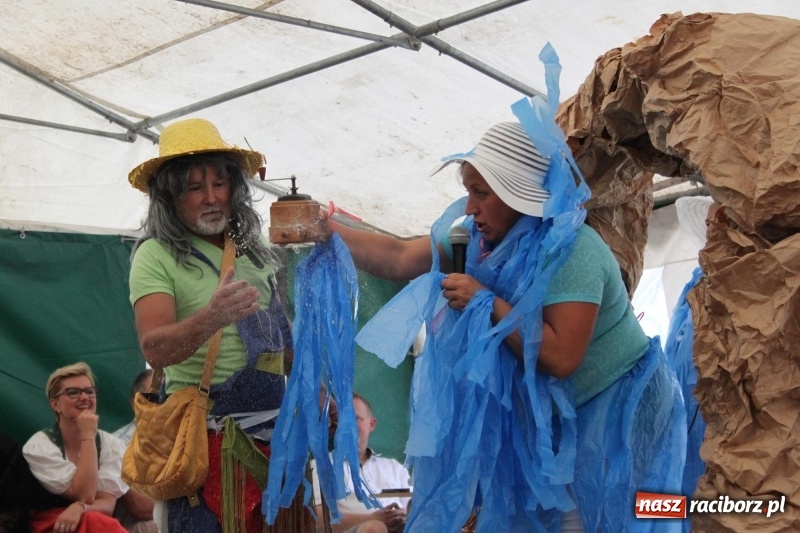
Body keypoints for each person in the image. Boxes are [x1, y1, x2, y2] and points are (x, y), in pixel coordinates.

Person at [322, 47, 686, 532]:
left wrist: (485, 301)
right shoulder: (468, 237)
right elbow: (398, 257)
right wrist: (324, 229)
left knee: (620, 520)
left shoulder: (573, 251)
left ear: (520, 196)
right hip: (554, 420)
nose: (469, 206)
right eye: (468, 189)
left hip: (618, 410)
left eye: (482, 193)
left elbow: (559, 357)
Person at [127, 117, 315, 532]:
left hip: (278, 444)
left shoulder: (258, 252)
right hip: (205, 447)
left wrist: (313, 387)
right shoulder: (155, 255)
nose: (211, 197)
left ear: (236, 187)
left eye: (219, 183)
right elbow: (154, 349)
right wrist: (212, 318)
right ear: (170, 197)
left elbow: (284, 345)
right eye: (194, 188)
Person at [21, 362, 156, 533]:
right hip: (53, 524)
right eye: (73, 392)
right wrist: (88, 436)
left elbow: (107, 503)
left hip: (94, 520)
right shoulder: (40, 446)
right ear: (55, 404)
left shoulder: (111, 445)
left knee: (97, 521)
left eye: (89, 391)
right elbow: (84, 495)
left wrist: (81, 508)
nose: (84, 397)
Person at [667, 196, 718, 508]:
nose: (711, 229)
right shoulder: (694, 283)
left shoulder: (749, 280)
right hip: (685, 412)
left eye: (720, 222)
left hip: (720, 415)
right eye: (709, 223)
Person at [312, 394, 411, 533]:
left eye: (356, 418)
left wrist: (403, 519)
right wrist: (371, 518)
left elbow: (416, 510)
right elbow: (313, 518)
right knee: (375, 528)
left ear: (371, 424)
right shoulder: (319, 467)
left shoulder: (395, 468)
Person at [113, 368, 154, 446]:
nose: (162, 402)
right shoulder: (119, 444)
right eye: (152, 397)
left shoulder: (180, 436)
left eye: (166, 395)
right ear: (135, 404)